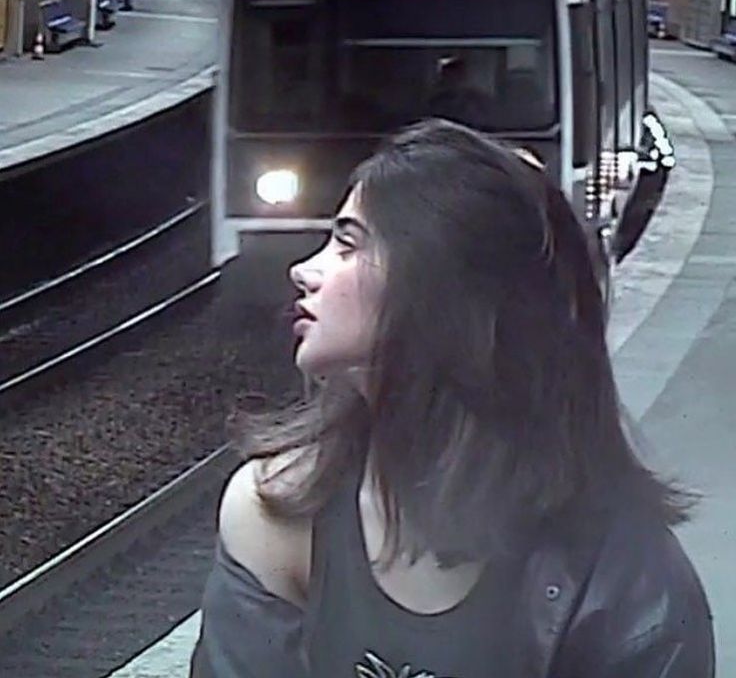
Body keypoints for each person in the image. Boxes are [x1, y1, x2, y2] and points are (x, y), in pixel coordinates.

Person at [190, 119, 714, 677]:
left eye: (347, 244)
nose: (304, 271)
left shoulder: (630, 585)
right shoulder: (275, 510)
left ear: (440, 290)